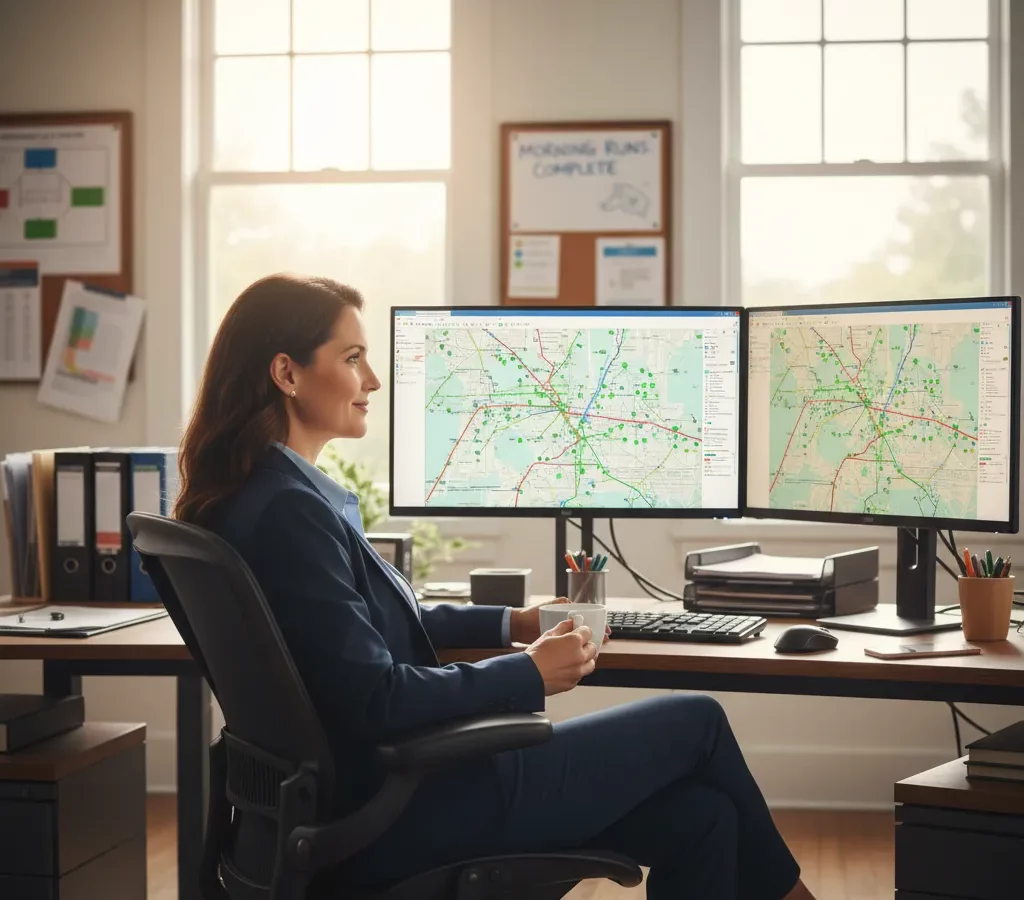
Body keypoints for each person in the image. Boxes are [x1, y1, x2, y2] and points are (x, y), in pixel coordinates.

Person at [174, 273, 816, 900]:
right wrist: (530, 673)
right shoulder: (290, 513)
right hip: (398, 810)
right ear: (286, 374)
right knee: (697, 720)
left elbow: (369, 629)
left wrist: (514, 624)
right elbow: (377, 698)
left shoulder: (257, 498)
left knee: (703, 817)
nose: (372, 380)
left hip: (355, 801)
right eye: (353, 357)